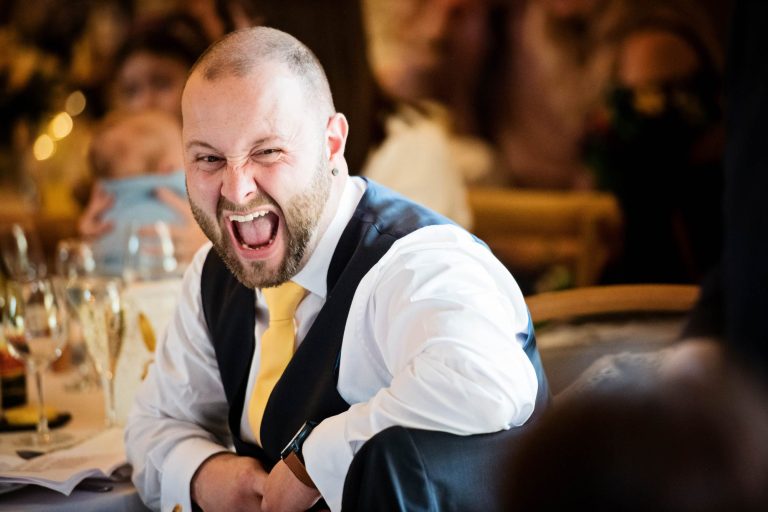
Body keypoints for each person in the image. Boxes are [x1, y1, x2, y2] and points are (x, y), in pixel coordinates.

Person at [124, 26, 548, 512]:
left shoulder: (417, 262)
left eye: (267, 151)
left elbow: (487, 384)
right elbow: (151, 424)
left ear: (332, 144)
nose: (236, 189)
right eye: (209, 158)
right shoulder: (213, 273)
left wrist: (314, 461)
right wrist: (199, 475)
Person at [78, 13, 210, 265]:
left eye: (161, 83)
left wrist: (216, 247)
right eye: (130, 91)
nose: (145, 103)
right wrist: (93, 246)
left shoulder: (234, 166)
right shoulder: (116, 175)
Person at [84, 109, 187, 275]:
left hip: (110, 277)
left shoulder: (109, 199)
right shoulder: (177, 186)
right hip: (166, 274)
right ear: (167, 168)